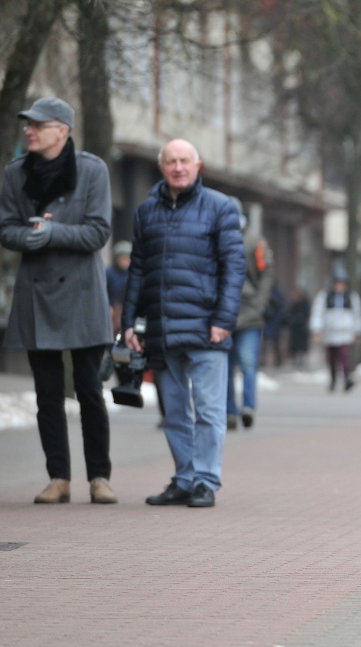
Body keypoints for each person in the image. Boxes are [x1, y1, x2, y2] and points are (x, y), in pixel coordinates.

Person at [0, 97, 117, 505]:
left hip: (83, 293)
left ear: (62, 131)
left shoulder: (92, 170)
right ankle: (58, 477)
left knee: (88, 390)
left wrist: (52, 233)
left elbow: (98, 232)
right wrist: (26, 236)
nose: (29, 130)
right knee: (46, 393)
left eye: (37, 124)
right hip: (37, 294)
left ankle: (100, 477)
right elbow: (6, 228)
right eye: (27, 124)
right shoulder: (15, 174)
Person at [123, 139, 245, 508]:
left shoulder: (220, 208)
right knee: (174, 412)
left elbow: (234, 267)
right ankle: (184, 478)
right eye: (171, 161)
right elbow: (139, 272)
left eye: (185, 161)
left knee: (208, 410)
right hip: (161, 329)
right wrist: (130, 323)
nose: (178, 167)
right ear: (162, 168)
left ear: (198, 166)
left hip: (206, 328)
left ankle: (206, 481)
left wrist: (224, 319)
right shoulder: (146, 212)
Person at [225, 197, 275, 431]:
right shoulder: (215, 237)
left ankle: (247, 407)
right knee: (223, 364)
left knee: (247, 362)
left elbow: (266, 273)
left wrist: (260, 303)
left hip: (249, 311)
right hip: (223, 311)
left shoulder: (255, 241)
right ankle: (229, 411)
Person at [309, 273, 361, 392]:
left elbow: (357, 314)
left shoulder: (351, 297)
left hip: (345, 333)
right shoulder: (325, 296)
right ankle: (333, 379)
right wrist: (317, 329)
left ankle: (347, 378)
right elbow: (318, 313)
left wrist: (358, 331)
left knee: (344, 356)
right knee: (331, 358)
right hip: (330, 333)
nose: (340, 287)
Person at [105, 240, 132, 336]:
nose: (126, 261)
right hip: (112, 310)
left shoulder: (132, 274)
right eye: (123, 258)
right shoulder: (109, 273)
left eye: (128, 258)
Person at [285, 288, 312, 369]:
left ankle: (301, 360)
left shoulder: (305, 304)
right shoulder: (294, 304)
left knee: (301, 346)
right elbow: (289, 313)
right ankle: (296, 360)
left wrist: (301, 318)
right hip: (295, 329)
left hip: (302, 328)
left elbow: (307, 314)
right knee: (295, 346)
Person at [261, 282, 286, 369]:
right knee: (266, 343)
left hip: (274, 322)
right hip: (268, 322)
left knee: (274, 343)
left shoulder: (276, 294)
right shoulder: (270, 292)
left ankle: (277, 361)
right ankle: (263, 360)